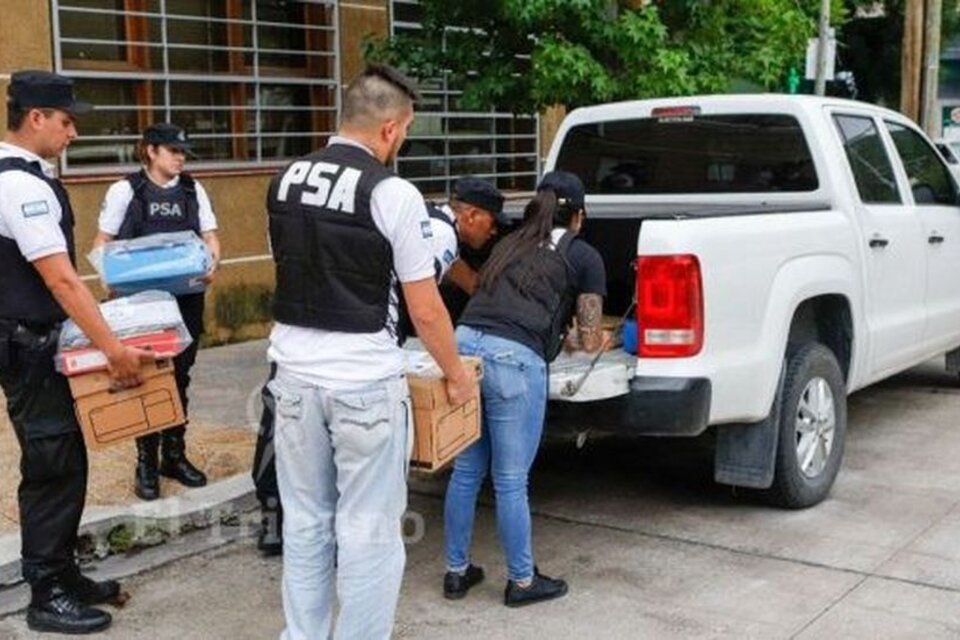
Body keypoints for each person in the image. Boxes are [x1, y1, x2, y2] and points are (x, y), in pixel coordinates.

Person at [266, 64, 476, 639]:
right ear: (389, 128)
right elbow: (425, 308)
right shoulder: (392, 193)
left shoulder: (284, 180)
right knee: (370, 536)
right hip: (363, 388)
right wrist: (457, 375)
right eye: (404, 131)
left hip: (293, 382)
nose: (401, 142)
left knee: (305, 526)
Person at [249, 175, 507, 558]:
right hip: (360, 349)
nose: (494, 230)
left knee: (285, 438)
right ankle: (344, 544)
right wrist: (454, 371)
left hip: (299, 346)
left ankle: (275, 525)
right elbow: (422, 303)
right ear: (471, 214)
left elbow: (460, 276)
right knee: (352, 450)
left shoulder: (418, 219)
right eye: (492, 221)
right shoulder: (440, 233)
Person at [0, 70, 150, 634]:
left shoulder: (20, 176)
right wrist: (114, 349)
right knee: (51, 466)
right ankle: (47, 594)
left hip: (31, 341)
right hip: (29, 347)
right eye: (66, 121)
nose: (73, 133)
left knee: (64, 461)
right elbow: (61, 279)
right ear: (35, 117)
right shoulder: (21, 186)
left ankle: (63, 573)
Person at [443, 170, 607, 607]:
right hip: (513, 360)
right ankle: (521, 581)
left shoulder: (509, 242)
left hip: (465, 347)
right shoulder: (583, 255)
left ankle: (456, 572)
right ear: (579, 216)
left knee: (466, 471)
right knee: (511, 479)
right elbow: (589, 340)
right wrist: (599, 337)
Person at [93, 123, 221, 501]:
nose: (181, 158)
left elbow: (210, 237)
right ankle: (146, 462)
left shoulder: (193, 189)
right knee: (147, 377)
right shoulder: (125, 190)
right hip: (141, 304)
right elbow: (102, 242)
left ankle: (174, 456)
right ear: (150, 151)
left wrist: (213, 261)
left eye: (183, 152)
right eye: (173, 151)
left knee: (180, 376)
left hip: (185, 299)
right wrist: (107, 276)